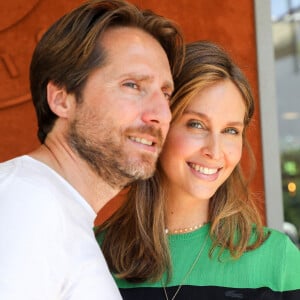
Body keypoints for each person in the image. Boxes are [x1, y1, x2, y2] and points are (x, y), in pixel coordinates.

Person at [0, 1, 185, 299]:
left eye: (165, 93)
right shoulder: (25, 205)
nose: (161, 114)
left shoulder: (54, 210)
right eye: (133, 85)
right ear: (62, 99)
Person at [97, 41, 300, 299]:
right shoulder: (91, 253)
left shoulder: (277, 259)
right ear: (159, 125)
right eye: (196, 124)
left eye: (230, 131)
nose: (215, 151)